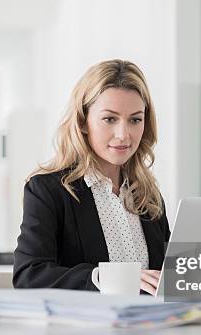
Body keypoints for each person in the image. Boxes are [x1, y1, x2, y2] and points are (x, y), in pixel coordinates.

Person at [13, 59, 171, 294]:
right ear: (83, 121)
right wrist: (109, 278)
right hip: (85, 329)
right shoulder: (47, 190)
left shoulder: (148, 197)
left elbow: (167, 275)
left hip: (151, 327)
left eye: (135, 119)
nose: (123, 134)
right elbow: (29, 275)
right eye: (109, 119)